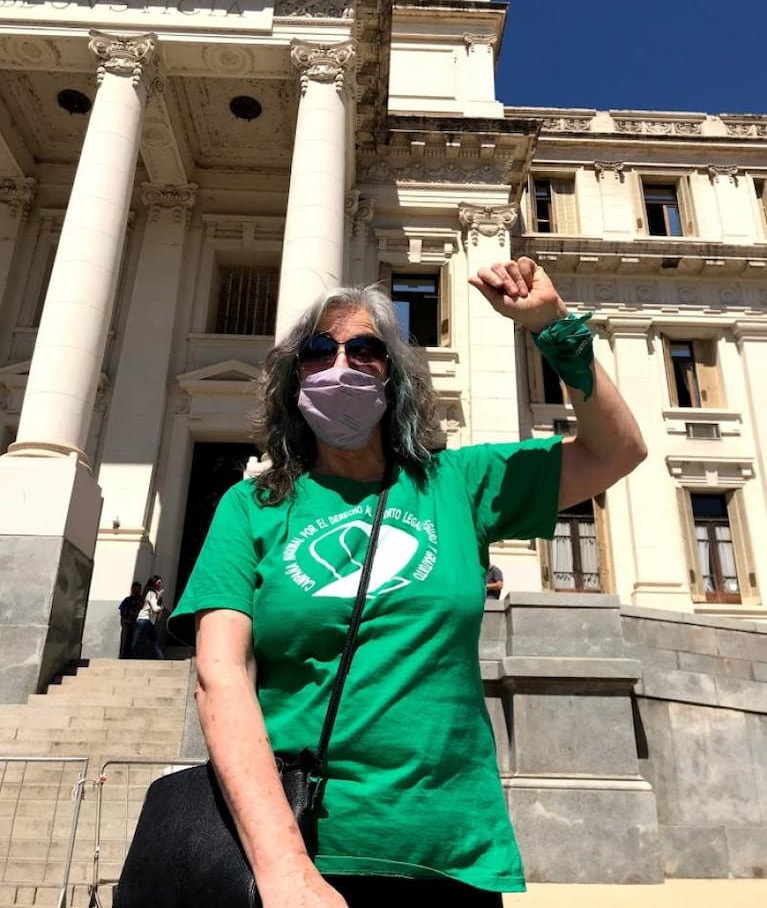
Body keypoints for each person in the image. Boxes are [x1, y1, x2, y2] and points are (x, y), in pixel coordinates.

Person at [169, 256, 646, 907]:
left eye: (363, 347)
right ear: (292, 377)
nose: (340, 364)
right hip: (305, 854)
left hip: (451, 855)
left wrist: (552, 328)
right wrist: (284, 866)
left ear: (393, 375)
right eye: (317, 350)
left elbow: (616, 452)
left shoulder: (457, 484)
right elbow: (216, 675)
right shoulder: (250, 508)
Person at [130, 575, 165, 659]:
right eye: (158, 583)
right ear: (154, 583)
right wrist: (162, 608)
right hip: (145, 619)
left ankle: (160, 658)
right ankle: (132, 656)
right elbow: (154, 608)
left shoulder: (151, 593)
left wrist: (159, 596)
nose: (160, 585)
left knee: (149, 640)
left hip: (147, 620)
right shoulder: (151, 593)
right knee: (140, 640)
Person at [117, 581, 143, 659]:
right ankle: (122, 656)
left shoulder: (141, 600)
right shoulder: (127, 600)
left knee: (133, 641)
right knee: (124, 640)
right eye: (135, 588)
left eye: (138, 589)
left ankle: (132, 656)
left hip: (135, 623)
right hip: (126, 622)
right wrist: (123, 619)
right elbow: (122, 610)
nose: (136, 590)